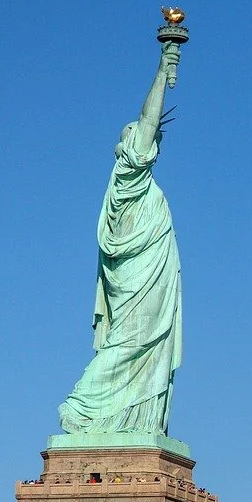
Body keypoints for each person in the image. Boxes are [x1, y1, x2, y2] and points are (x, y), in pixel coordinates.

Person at [59, 40, 184, 435]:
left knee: (142, 344)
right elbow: (148, 121)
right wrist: (165, 67)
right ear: (130, 146)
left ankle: (132, 420)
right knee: (130, 342)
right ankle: (83, 407)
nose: (154, 144)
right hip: (137, 278)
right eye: (146, 139)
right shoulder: (130, 176)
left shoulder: (136, 185)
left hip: (150, 276)